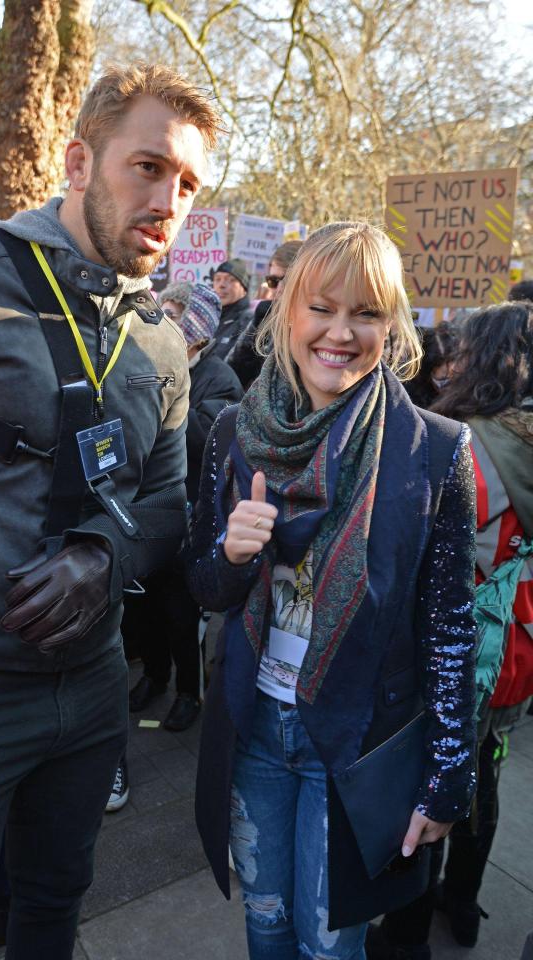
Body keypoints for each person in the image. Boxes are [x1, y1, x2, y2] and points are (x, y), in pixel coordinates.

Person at [0, 62, 221, 960]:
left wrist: (104, 556)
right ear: (78, 161)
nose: (169, 199)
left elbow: (163, 501)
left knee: (55, 908)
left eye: (188, 183)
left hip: (92, 692)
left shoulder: (162, 339)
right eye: (147, 167)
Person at [187, 221, 478, 960]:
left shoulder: (436, 450)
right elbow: (202, 586)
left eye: (366, 314)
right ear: (287, 310)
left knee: (329, 945)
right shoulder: (230, 432)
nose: (341, 333)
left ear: (393, 324)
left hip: (355, 742)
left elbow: (449, 623)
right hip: (255, 730)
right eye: (323, 307)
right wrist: (231, 550)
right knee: (268, 926)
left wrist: (449, 774)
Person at [370, 300, 533, 960]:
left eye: (464, 349)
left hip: (459, 649)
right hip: (515, 648)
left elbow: (432, 559)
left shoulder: (464, 444)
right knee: (484, 771)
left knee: (433, 778)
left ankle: (408, 934)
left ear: (487, 359)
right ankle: (462, 904)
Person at [124, 283, 243, 727]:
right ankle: (154, 677)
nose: (158, 319)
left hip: (189, 517)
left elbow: (204, 440)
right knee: (146, 608)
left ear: (193, 333)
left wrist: (170, 380)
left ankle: (188, 693)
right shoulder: (140, 361)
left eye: (169, 312)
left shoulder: (220, 379)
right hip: (144, 510)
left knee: (181, 615)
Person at [231, 239, 303, 388]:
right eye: (273, 281)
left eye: (287, 280)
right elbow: (235, 373)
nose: (279, 289)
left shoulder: (316, 324)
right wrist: (256, 329)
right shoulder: (266, 314)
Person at [403, 322, 457, 409]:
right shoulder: (409, 397)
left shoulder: (470, 391)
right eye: (443, 379)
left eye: (455, 374)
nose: (450, 385)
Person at [210, 257, 254, 363]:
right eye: (217, 279)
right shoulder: (208, 320)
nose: (222, 285)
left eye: (231, 280)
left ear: (244, 288)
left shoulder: (249, 322)